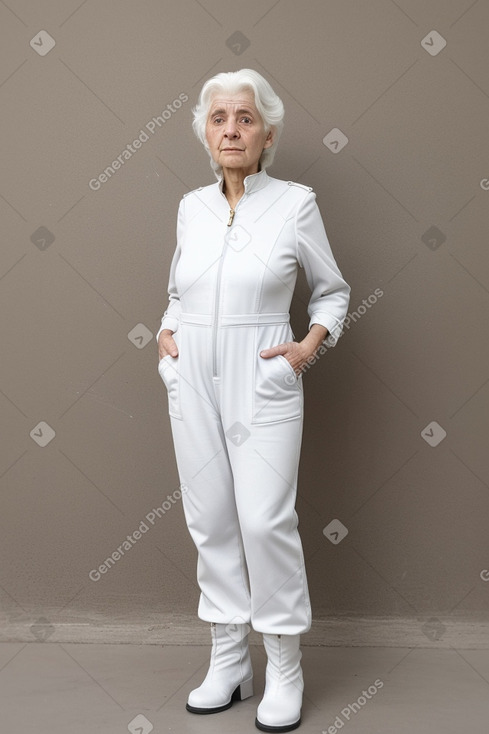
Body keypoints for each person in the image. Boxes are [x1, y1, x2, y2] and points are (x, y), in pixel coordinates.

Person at [156, 68, 350, 732]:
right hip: (193, 377)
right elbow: (181, 292)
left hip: (262, 372)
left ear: (265, 134)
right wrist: (165, 333)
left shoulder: (294, 203)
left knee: (265, 519)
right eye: (218, 119)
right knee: (209, 518)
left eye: (243, 118)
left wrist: (303, 349)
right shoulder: (191, 206)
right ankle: (229, 661)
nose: (230, 129)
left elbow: (331, 291)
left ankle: (284, 666)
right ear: (205, 134)